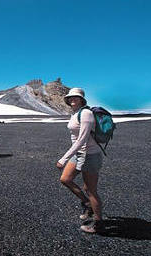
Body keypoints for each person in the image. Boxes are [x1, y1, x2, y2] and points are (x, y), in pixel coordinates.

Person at [56, 88, 104, 233]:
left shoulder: (86, 113)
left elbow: (82, 139)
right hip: (79, 154)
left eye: (75, 97)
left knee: (90, 189)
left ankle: (98, 223)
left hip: (90, 155)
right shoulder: (75, 114)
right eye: (70, 97)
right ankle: (87, 203)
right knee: (65, 179)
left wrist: (63, 158)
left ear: (81, 99)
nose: (72, 99)